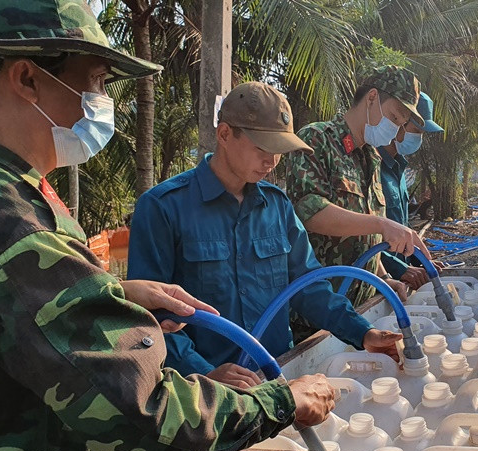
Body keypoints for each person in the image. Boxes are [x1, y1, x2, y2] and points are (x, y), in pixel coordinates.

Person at [0, 2, 334, 451]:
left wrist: (112, 294)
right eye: (97, 82)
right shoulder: (3, 218)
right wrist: (281, 402)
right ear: (26, 78)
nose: (101, 102)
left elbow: (9, 318)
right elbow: (139, 410)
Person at [127, 82, 402, 382]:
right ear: (225, 134)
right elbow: (149, 316)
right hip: (203, 397)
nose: (271, 162)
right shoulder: (163, 208)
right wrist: (205, 374)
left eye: (279, 151)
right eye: (262, 148)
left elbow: (308, 287)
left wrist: (362, 332)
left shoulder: (276, 206)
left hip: (276, 376)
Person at [286, 66, 430, 308]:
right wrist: (383, 224)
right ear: (372, 97)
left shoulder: (371, 158)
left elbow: (367, 239)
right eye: (394, 118)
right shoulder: (316, 140)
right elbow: (309, 213)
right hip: (320, 308)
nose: (395, 130)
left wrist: (384, 278)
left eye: (401, 124)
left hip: (360, 306)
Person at [378, 92, 445, 290]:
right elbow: (365, 237)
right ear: (398, 124)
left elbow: (401, 229)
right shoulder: (372, 168)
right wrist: (398, 269)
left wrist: (419, 263)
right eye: (416, 131)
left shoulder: (398, 169)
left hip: (398, 280)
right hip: (377, 278)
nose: (418, 139)